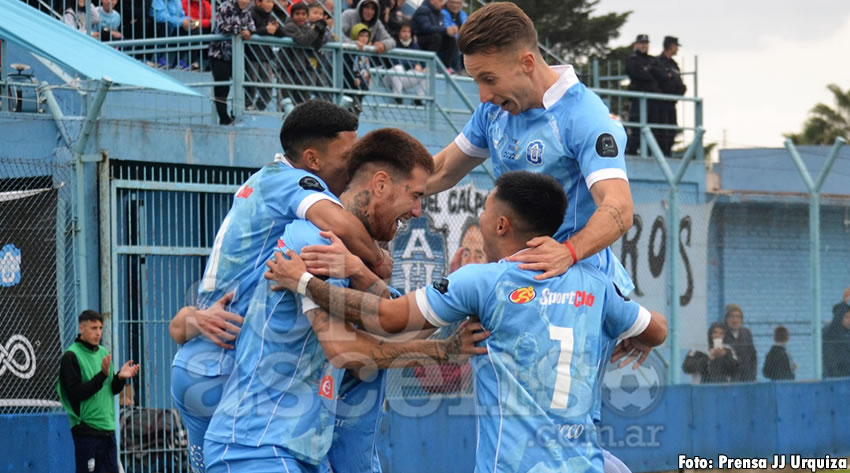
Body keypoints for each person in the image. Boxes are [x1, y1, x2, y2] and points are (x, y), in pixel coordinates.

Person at [266, 170, 667, 473]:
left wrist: (304, 283)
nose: (479, 219)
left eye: (485, 209)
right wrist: (641, 337)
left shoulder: (484, 281)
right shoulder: (594, 285)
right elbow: (657, 329)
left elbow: (390, 316)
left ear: (500, 226)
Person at [203, 128, 487, 473]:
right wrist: (444, 350)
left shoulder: (355, 256)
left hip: (306, 452)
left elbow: (399, 328)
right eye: (414, 195)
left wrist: (363, 271)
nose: (416, 211)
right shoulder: (316, 240)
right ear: (380, 184)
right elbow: (346, 350)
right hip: (256, 448)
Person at [168, 100, 389, 473]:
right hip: (231, 371)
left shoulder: (258, 185)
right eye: (347, 156)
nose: (353, 168)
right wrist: (377, 263)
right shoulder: (293, 186)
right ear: (312, 159)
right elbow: (342, 226)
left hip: (193, 363)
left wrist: (189, 318)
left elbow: (179, 325)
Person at [426, 2, 635, 295]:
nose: (483, 96)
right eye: (476, 81)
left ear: (527, 63)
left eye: (489, 79)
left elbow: (620, 208)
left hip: (581, 289)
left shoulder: (584, 117)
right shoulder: (493, 111)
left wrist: (567, 252)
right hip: (522, 284)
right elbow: (443, 169)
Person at [57, 310, 140, 473]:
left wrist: (120, 378)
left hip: (108, 429)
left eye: (100, 328)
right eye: (93, 328)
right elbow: (75, 393)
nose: (98, 333)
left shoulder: (103, 352)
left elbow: (112, 389)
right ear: (82, 328)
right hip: (86, 429)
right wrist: (102, 375)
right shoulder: (71, 356)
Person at [280, 2, 331, 104]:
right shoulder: (290, 26)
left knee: (303, 100)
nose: (300, 17)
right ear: (292, 15)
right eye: (297, 14)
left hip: (303, 67)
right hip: (289, 67)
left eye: (303, 14)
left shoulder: (307, 27)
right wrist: (317, 28)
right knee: (287, 99)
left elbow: (317, 44)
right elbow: (304, 41)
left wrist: (321, 30)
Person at [246, 0, 284, 111]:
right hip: (250, 56)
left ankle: (256, 109)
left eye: (272, 2)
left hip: (265, 57)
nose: (271, 4)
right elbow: (248, 32)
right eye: (268, 1)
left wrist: (277, 29)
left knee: (267, 89)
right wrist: (266, 30)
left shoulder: (271, 16)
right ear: (258, 2)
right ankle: (244, 108)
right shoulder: (250, 14)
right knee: (250, 87)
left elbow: (280, 34)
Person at [651, 36, 686, 156]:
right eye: (676, 46)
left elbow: (679, 84)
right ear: (671, 46)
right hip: (659, 104)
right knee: (660, 130)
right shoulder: (657, 62)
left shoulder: (674, 64)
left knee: (671, 129)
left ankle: (667, 153)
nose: (677, 49)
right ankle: (660, 154)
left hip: (671, 103)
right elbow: (657, 81)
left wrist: (679, 91)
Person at [624, 34, 658, 155]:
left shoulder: (652, 60)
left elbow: (659, 76)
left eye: (646, 43)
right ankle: (632, 151)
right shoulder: (633, 60)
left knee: (653, 126)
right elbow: (637, 74)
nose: (644, 45)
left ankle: (650, 153)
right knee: (637, 127)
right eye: (641, 43)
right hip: (638, 99)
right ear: (636, 45)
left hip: (652, 100)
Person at [412, 0, 458, 70]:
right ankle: (428, 67)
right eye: (440, 0)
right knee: (436, 37)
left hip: (432, 40)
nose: (442, 3)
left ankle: (445, 68)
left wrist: (450, 31)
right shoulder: (423, 10)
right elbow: (426, 28)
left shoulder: (440, 13)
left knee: (452, 39)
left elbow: (438, 28)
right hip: (418, 40)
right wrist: (446, 30)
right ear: (432, 1)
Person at [723, 303, 756, 382]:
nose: (735, 320)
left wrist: (753, 375)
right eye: (732, 316)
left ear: (741, 319)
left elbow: (753, 356)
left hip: (747, 379)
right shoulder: (722, 334)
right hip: (729, 380)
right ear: (727, 319)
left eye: (738, 317)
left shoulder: (746, 333)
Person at [823, 302, 850, 378]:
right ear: (837, 317)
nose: (849, 320)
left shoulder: (847, 333)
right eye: (846, 317)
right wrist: (844, 302)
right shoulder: (829, 331)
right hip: (834, 376)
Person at [441, 0, 466, 72]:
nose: (455, 5)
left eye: (458, 3)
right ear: (447, 2)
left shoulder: (463, 15)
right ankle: (456, 69)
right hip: (447, 42)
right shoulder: (442, 13)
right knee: (455, 42)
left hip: (461, 42)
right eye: (453, 2)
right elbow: (446, 28)